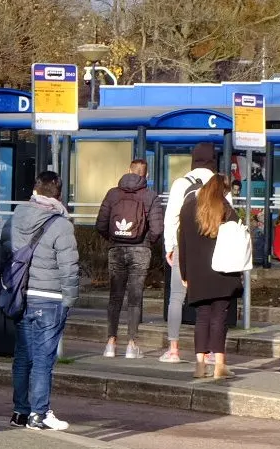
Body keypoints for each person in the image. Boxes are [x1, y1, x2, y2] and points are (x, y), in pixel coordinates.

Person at [5, 171, 80, 431]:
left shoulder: (18, 215)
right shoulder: (61, 224)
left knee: (23, 356)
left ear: (35, 190)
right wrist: (70, 298)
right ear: (59, 194)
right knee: (43, 359)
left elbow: (8, 249)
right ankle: (39, 414)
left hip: (22, 295)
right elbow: (69, 267)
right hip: (50, 298)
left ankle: (20, 412)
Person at [175, 172, 245, 381]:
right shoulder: (225, 209)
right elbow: (238, 234)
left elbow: (182, 243)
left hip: (197, 272)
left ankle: (200, 366)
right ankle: (219, 365)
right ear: (222, 190)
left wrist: (184, 273)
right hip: (223, 270)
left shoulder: (187, 208)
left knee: (202, 317)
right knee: (219, 317)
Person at [94, 158, 161, 358]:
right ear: (146, 174)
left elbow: (100, 224)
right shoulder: (150, 196)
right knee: (135, 297)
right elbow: (157, 229)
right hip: (140, 250)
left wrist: (114, 238)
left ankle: (110, 344)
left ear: (128, 170)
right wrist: (146, 241)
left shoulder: (113, 194)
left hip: (116, 248)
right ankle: (132, 345)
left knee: (115, 296)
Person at [159, 143, 220, 363]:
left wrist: (170, 247)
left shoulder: (181, 183)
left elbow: (171, 218)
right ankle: (211, 352)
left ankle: (173, 350)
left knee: (176, 297)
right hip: (213, 248)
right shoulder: (219, 183)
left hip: (183, 246)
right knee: (212, 300)